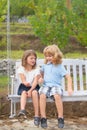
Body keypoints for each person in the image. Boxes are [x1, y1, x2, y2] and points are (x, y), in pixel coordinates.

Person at [39, 44, 73, 128]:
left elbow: (68, 77)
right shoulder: (45, 66)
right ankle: (43, 117)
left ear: (56, 55)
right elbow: (41, 75)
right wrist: (41, 79)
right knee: (42, 95)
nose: (48, 58)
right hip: (46, 85)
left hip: (56, 86)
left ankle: (60, 117)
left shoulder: (60, 67)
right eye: (46, 56)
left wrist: (69, 88)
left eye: (50, 56)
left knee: (57, 96)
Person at [17, 49, 40, 126]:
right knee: (23, 92)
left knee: (34, 92)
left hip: (34, 86)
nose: (33, 60)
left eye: (34, 58)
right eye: (31, 58)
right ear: (25, 59)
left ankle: (36, 115)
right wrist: (25, 82)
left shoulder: (36, 69)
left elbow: (36, 81)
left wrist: (30, 90)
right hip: (24, 86)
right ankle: (22, 110)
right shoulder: (21, 69)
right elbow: (23, 80)